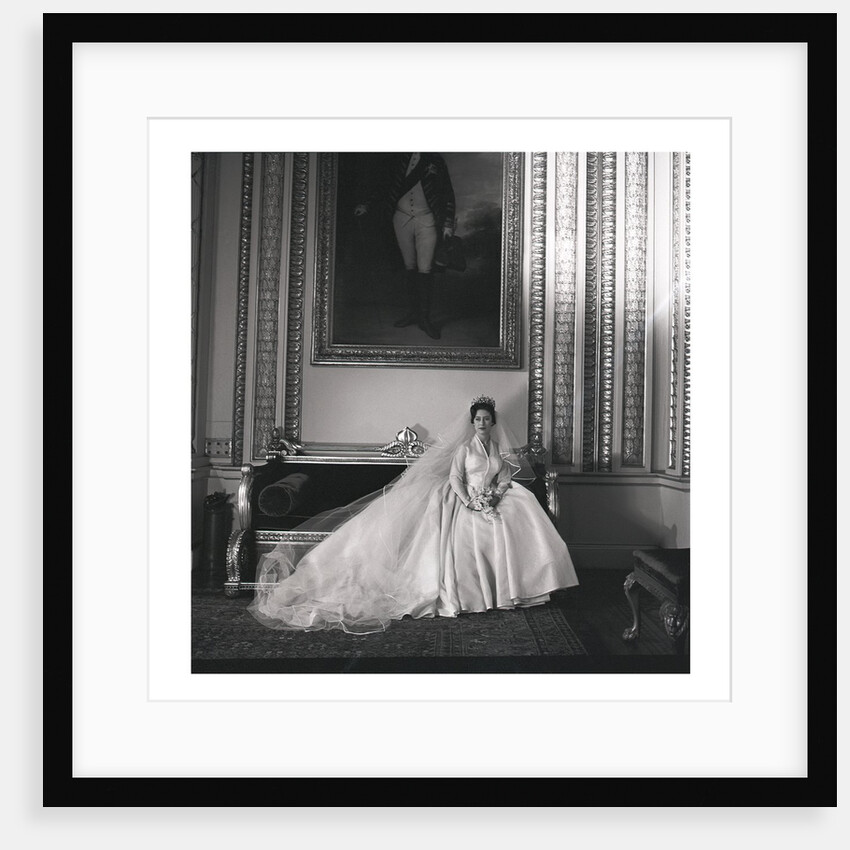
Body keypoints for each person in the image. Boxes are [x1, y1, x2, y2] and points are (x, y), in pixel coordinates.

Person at [248, 395, 579, 635]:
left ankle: (515, 591)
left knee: (521, 512)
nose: (482, 423)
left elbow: (504, 475)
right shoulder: (464, 449)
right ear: (472, 422)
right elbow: (455, 478)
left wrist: (495, 494)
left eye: (486, 419)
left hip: (489, 497)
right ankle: (471, 593)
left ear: (493, 422)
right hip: (463, 497)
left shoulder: (497, 449)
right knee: (465, 537)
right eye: (477, 419)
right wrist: (469, 500)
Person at [353, 152, 456, 340]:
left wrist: (448, 223)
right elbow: (383, 186)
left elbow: (447, 192)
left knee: (425, 268)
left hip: (427, 219)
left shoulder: (435, 160)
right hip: (401, 218)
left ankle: (424, 318)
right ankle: (413, 313)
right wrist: (366, 205)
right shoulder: (396, 158)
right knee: (409, 267)